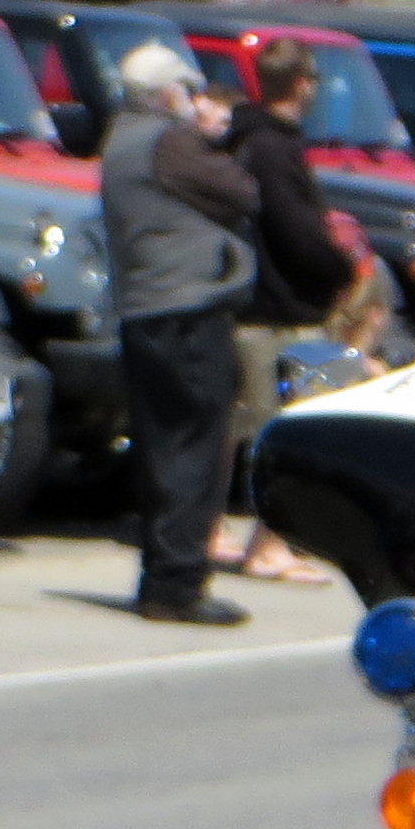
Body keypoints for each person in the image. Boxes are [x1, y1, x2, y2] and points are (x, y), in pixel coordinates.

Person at [101, 42, 258, 627]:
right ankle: (178, 584)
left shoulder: (120, 140)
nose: (195, 102)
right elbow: (243, 191)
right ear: (169, 93)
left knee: (166, 446)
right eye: (188, 91)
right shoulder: (169, 140)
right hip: (186, 310)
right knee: (195, 446)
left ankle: (164, 578)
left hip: (145, 310)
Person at [216, 42, 356, 586]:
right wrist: (340, 269)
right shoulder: (273, 149)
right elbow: (297, 234)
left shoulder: (247, 141)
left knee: (249, 428)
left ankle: (229, 533)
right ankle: (269, 546)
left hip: (257, 306)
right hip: (283, 312)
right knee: (302, 431)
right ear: (301, 84)